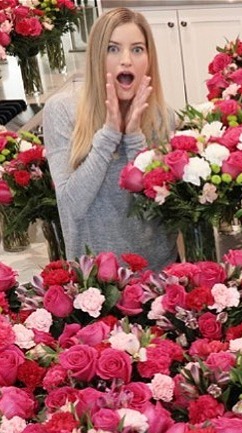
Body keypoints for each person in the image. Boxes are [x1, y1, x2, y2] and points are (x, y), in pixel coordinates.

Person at [44, 7, 177, 271]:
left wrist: (134, 138)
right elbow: (72, 206)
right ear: (96, 56)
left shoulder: (163, 116)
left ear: (149, 59)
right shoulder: (62, 111)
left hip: (158, 273)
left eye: (137, 49)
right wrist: (110, 133)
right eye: (113, 49)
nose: (126, 60)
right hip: (96, 280)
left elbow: (160, 211)